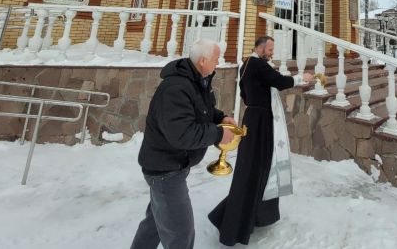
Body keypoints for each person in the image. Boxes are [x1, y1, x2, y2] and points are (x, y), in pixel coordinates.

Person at [208, 36, 314, 246]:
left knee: (255, 170)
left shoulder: (247, 65)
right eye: (270, 48)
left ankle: (249, 216)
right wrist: (304, 78)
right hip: (261, 123)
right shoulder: (257, 64)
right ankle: (234, 223)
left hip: (253, 118)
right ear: (260, 47)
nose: (272, 52)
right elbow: (280, 81)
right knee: (256, 169)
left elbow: (244, 94)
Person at [131, 38, 235, 249]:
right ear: (204, 60)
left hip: (170, 166)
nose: (219, 62)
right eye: (216, 58)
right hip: (165, 170)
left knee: (155, 225)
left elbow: (200, 111)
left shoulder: (197, 81)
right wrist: (217, 134)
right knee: (181, 235)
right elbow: (182, 134)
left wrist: (220, 118)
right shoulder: (176, 88)